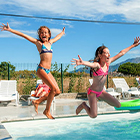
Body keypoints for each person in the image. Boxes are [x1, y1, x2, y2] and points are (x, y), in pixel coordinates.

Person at [0, 22, 65, 119]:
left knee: (58, 91)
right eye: (41, 33)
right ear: (39, 35)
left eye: (45, 32)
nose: (43, 34)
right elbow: (23, 35)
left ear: (49, 34)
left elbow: (58, 37)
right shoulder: (38, 43)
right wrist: (10, 30)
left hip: (48, 71)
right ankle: (47, 111)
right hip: (41, 69)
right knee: (53, 89)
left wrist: (62, 33)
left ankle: (37, 101)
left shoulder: (50, 43)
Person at [71, 37, 140, 118]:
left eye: (109, 53)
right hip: (92, 92)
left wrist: (133, 45)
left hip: (101, 92)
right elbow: (91, 64)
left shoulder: (108, 63)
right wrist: (83, 63)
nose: (109, 55)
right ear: (100, 55)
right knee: (93, 115)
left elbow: (121, 53)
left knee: (118, 105)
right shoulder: (97, 65)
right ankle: (83, 105)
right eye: (106, 53)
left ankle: (102, 99)